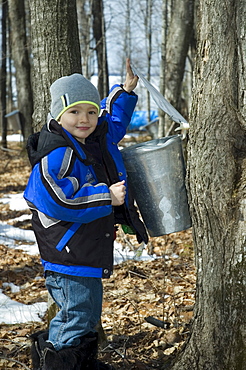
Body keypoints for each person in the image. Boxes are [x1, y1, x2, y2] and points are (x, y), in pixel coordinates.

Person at [24, 59, 148, 370]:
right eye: (75, 112)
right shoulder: (57, 152)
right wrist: (107, 195)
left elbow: (112, 124)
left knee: (88, 313)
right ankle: (57, 364)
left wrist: (125, 91)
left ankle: (81, 363)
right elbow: (59, 199)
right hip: (68, 254)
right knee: (74, 315)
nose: (85, 119)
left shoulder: (89, 140)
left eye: (90, 111)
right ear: (58, 115)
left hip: (85, 252)